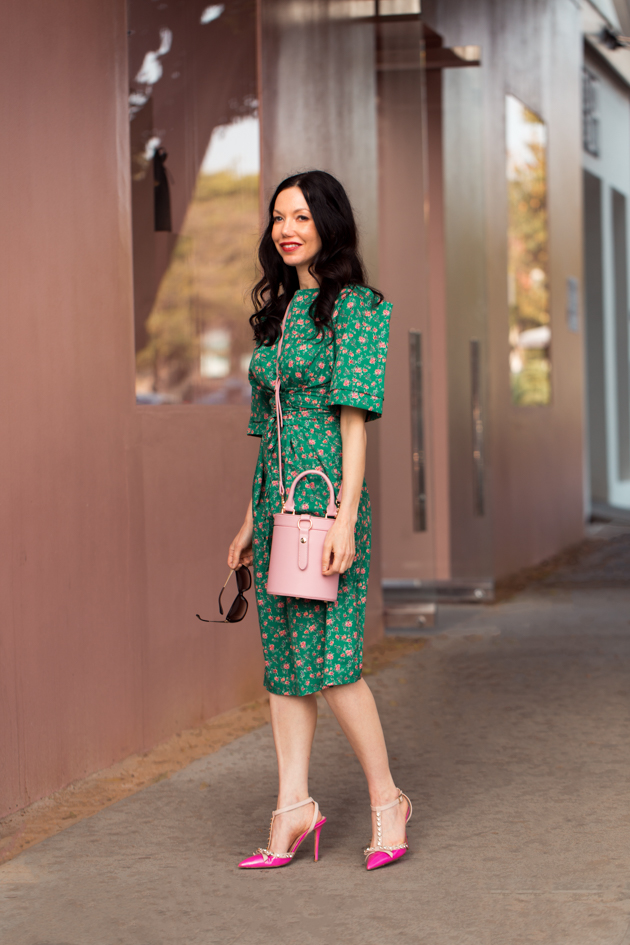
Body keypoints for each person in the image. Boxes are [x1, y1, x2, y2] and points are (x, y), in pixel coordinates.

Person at [228, 170, 411, 871]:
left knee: (333, 662)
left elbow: (355, 422)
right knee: (285, 665)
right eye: (278, 216)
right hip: (275, 498)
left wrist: (344, 514)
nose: (286, 228)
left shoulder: (357, 308)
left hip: (326, 497)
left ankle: (387, 799)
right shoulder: (276, 314)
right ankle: (293, 805)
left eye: (301, 215)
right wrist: (249, 518)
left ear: (329, 223)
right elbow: (267, 428)